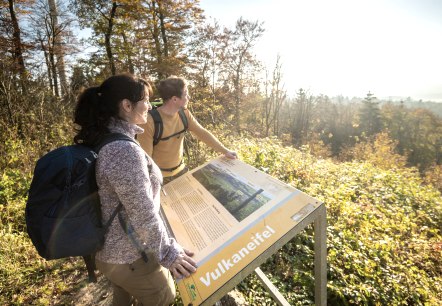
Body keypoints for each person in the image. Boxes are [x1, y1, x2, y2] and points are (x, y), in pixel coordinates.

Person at [73, 74, 197, 306]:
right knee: (163, 296)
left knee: (122, 297)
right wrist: (169, 253)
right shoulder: (122, 151)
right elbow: (142, 212)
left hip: (110, 252)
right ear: (127, 105)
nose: (150, 106)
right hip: (129, 256)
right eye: (146, 100)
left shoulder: (105, 138)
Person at [139, 76, 237, 183]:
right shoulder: (149, 121)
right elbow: (146, 159)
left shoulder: (184, 114)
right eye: (185, 94)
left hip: (181, 171)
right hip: (159, 177)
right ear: (175, 99)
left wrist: (225, 151)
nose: (189, 97)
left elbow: (202, 133)